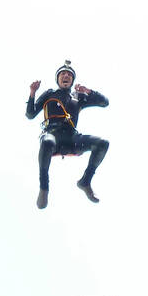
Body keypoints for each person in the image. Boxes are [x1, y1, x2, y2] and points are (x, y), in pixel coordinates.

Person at [26, 61, 109, 209]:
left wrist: (88, 91)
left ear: (72, 80)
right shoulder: (49, 94)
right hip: (52, 134)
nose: (66, 76)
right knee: (47, 142)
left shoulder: (78, 96)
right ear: (58, 79)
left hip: (72, 138)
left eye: (69, 75)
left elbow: (105, 103)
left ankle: (85, 181)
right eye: (63, 74)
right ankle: (44, 188)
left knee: (102, 143)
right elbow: (30, 114)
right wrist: (32, 93)